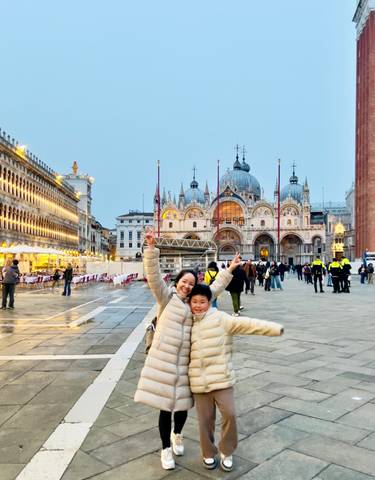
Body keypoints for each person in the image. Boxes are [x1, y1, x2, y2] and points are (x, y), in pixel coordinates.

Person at [134, 227, 241, 470]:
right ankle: (165, 449)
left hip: (185, 363)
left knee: (182, 406)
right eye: (184, 282)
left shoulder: (195, 305)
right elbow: (153, 275)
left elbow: (212, 291)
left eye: (191, 284)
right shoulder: (166, 298)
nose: (187, 286)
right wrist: (151, 249)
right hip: (163, 362)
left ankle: (178, 434)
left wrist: (229, 271)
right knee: (164, 407)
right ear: (177, 282)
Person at [188, 284, 283, 472]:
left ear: (210, 302)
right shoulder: (186, 322)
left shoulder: (221, 319)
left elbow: (247, 325)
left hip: (222, 377)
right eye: (194, 302)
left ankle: (227, 450)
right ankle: (208, 452)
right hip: (199, 381)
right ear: (189, 303)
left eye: (202, 302)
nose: (198, 306)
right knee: (204, 420)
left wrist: (274, 329)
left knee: (229, 414)